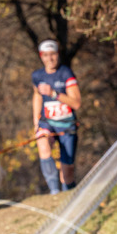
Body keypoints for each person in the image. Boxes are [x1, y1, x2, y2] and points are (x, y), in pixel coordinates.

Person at [32, 40, 82, 194]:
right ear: (41, 57)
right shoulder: (37, 76)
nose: (50, 59)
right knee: (42, 142)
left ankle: (68, 195)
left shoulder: (66, 73)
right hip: (47, 122)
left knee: (67, 173)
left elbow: (76, 103)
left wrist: (54, 94)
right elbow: (37, 96)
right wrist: (36, 121)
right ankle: (54, 192)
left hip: (66, 124)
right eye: (46, 55)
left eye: (53, 54)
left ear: (57, 55)